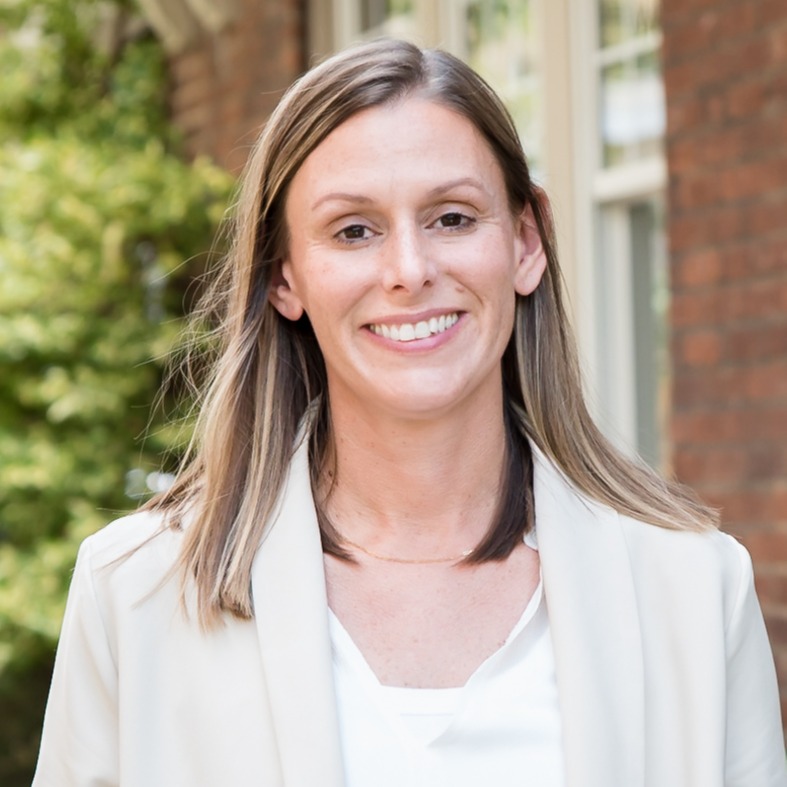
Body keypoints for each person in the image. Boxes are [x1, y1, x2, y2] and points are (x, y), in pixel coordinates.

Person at [33, 38, 786, 787]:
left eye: (452, 218)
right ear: (282, 277)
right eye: (354, 230)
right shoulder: (136, 593)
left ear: (525, 241)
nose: (409, 271)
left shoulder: (693, 589)